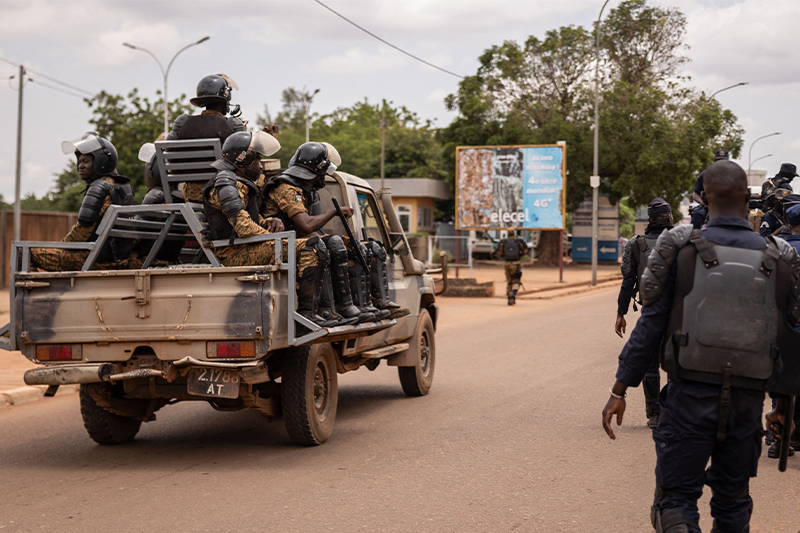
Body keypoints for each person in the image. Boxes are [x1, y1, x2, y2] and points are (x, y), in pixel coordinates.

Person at [601, 160, 800, 533]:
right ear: (749, 197)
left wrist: (619, 389)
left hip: (687, 398)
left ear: (703, 197)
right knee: (733, 501)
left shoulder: (679, 249)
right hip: (746, 404)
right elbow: (789, 336)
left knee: (674, 500)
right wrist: (784, 407)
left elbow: (651, 325)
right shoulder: (780, 256)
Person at [203, 131, 342, 328]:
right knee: (311, 246)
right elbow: (243, 228)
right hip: (234, 253)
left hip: (245, 248)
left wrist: (269, 220)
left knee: (318, 244)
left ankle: (323, 311)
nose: (260, 165)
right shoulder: (225, 185)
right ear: (245, 160)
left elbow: (250, 218)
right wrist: (273, 236)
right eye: (257, 159)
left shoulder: (236, 183)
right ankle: (307, 315)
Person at [31, 133, 134, 271]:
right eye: (79, 161)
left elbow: (81, 234)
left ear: (100, 162)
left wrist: (61, 247)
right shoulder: (121, 186)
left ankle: (29, 293)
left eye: (85, 161)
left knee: (26, 253)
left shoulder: (99, 187)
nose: (80, 166)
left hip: (96, 258)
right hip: (117, 257)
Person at [615, 197, 673, 428]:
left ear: (649, 219)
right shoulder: (685, 243)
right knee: (679, 364)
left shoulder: (637, 245)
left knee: (651, 365)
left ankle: (655, 413)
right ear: (669, 217)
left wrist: (621, 313)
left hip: (650, 313)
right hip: (681, 315)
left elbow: (628, 283)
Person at [168, 74, 246, 202]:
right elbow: (243, 161)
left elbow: (169, 153)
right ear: (224, 101)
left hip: (190, 194)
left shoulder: (182, 123)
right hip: (221, 193)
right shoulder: (232, 125)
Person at [690, 149, 729, 230]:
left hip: (729, 207)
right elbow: (695, 194)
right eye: (718, 161)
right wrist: (705, 204)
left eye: (723, 161)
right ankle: (696, 237)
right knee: (697, 213)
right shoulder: (705, 175)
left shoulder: (734, 174)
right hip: (708, 207)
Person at [496, 232, 528, 305]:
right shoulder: (519, 241)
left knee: (509, 281)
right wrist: (520, 255)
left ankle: (509, 298)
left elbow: (499, 253)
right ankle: (513, 292)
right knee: (516, 281)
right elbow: (525, 251)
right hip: (516, 263)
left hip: (506, 263)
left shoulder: (503, 241)